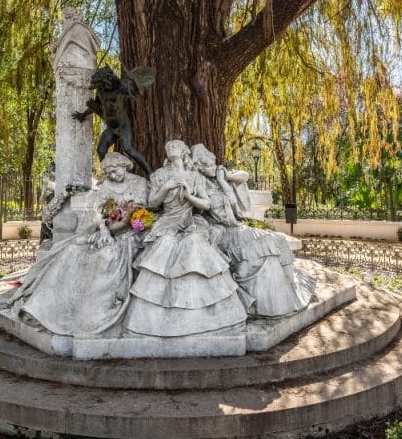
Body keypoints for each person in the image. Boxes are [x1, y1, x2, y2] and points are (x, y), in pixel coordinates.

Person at [2, 152, 148, 337]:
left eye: (115, 170)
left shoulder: (138, 184)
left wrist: (111, 230)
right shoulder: (106, 186)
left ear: (124, 166)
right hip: (102, 230)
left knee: (106, 256)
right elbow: (97, 211)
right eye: (108, 172)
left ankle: (90, 315)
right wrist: (103, 229)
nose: (112, 175)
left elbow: (136, 214)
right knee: (70, 250)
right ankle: (43, 308)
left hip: (129, 234)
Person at [123, 140, 247, 336]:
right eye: (168, 146)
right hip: (166, 223)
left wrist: (189, 196)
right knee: (164, 245)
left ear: (184, 152)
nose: (171, 147)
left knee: (195, 243)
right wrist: (166, 187)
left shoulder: (195, 176)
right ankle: (155, 317)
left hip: (189, 222)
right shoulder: (159, 175)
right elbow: (152, 204)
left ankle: (201, 312)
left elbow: (206, 205)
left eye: (176, 146)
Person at [190, 144, 315, 317]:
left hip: (237, 227)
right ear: (199, 167)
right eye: (208, 165)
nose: (213, 168)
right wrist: (221, 182)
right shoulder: (200, 185)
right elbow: (219, 211)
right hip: (225, 231)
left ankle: (292, 292)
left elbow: (243, 181)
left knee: (278, 240)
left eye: (213, 164)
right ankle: (273, 305)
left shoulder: (219, 178)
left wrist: (224, 177)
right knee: (267, 244)